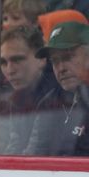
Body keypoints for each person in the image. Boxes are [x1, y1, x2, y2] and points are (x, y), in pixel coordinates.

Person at [26, 21, 89, 155]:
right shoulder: (49, 102)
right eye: (55, 61)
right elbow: (35, 154)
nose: (61, 68)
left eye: (68, 57)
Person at [0, 26, 59, 153]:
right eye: (3, 62)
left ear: (42, 59)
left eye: (17, 59)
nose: (10, 70)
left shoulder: (56, 96)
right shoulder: (17, 96)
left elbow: (36, 153)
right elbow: (15, 145)